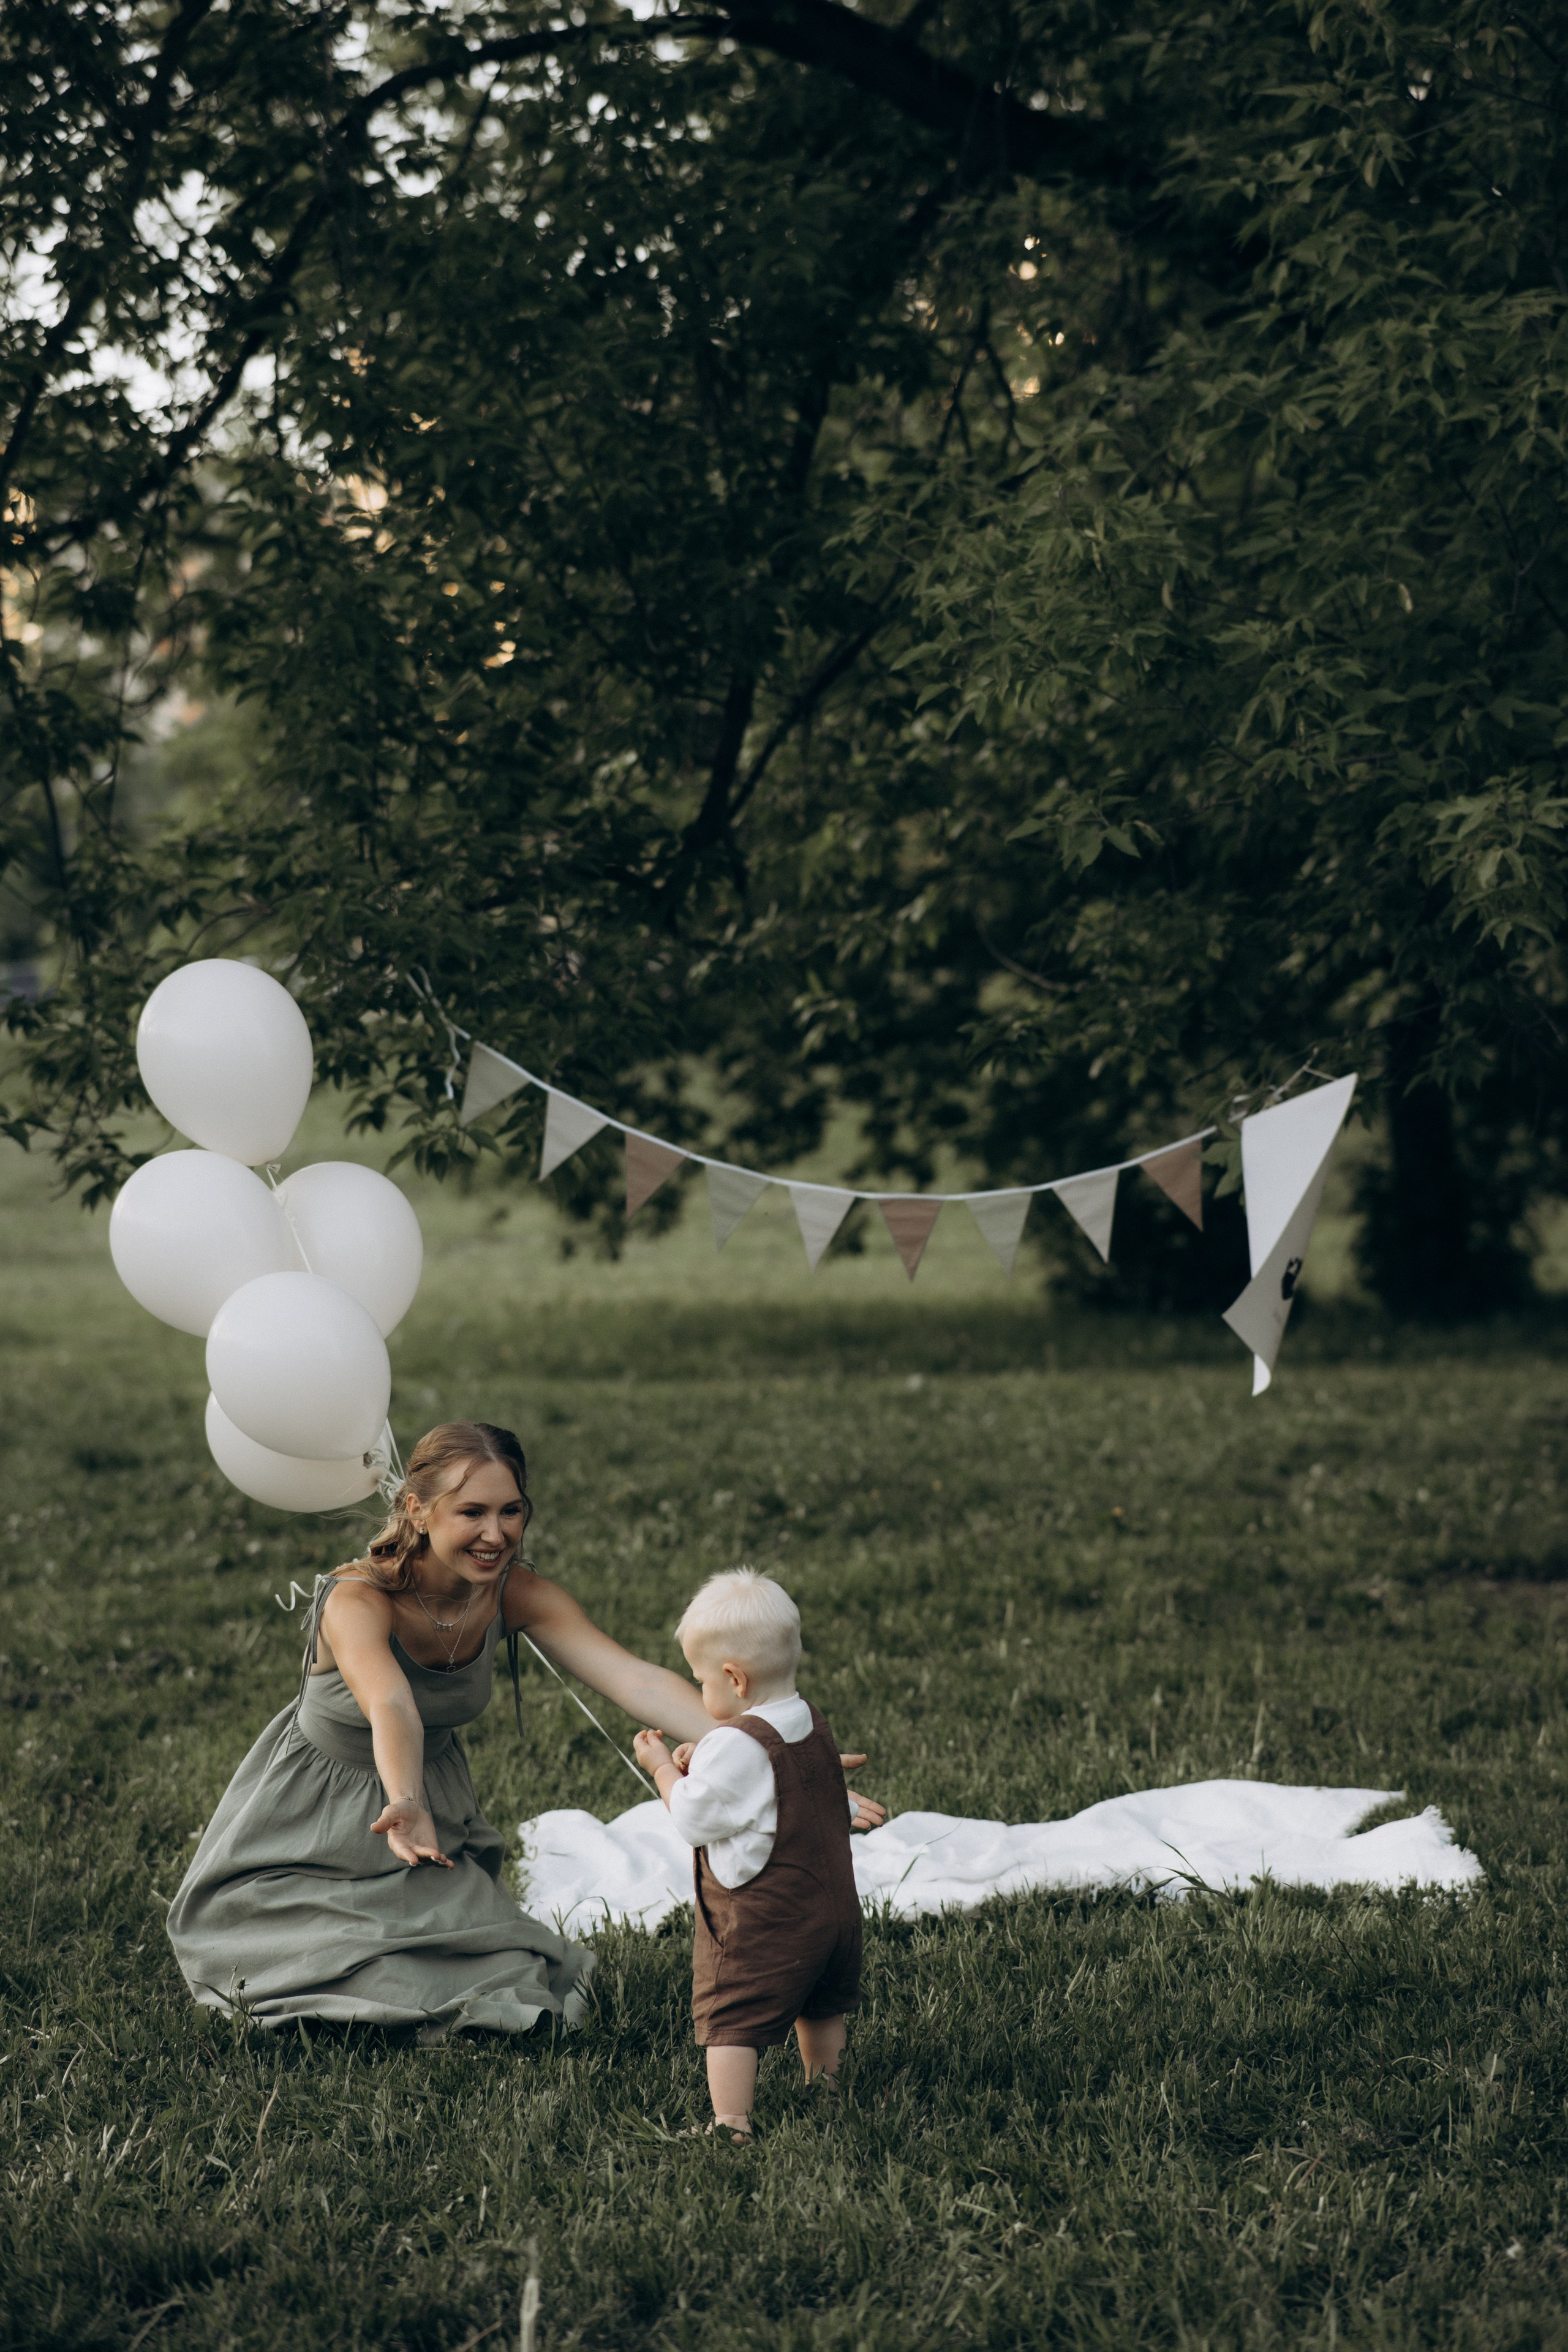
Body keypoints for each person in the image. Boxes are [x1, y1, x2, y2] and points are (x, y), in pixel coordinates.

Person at [168, 1423, 883, 2041]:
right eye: (471, 1511)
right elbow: (391, 1703)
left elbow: (632, 1679)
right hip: (313, 1818)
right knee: (318, 1969)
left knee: (517, 1975)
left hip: (428, 1828)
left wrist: (776, 1758)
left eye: (512, 1510)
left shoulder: (514, 1592)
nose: (496, 1533)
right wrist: (407, 1799)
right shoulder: (357, 1598)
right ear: (416, 1510)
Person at [633, 1569, 864, 2143]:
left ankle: (730, 2123)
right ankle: (827, 2092)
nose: (701, 1692)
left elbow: (692, 1816)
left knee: (730, 2019)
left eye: (701, 1681)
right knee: (819, 2004)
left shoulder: (737, 1744)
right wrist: (704, 1755)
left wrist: (663, 1768)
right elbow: (759, 1780)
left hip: (765, 1919)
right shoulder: (807, 1719)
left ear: (734, 1678)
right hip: (831, 1912)